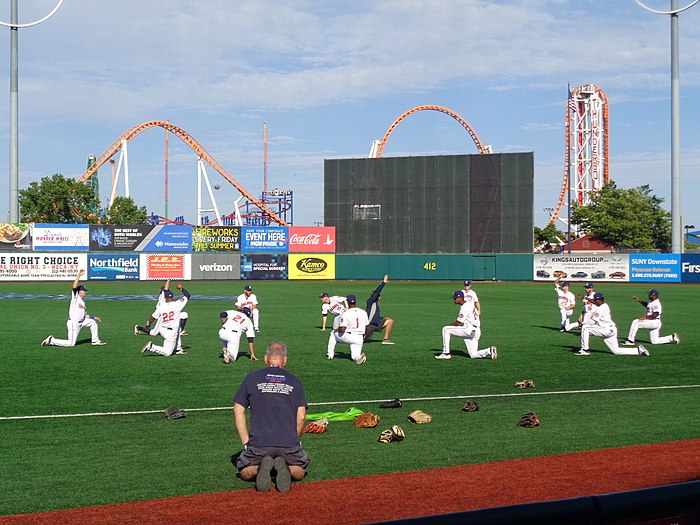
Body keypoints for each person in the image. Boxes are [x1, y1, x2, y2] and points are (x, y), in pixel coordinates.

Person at [233, 341, 310, 493]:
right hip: (288, 444)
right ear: (285, 360)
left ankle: (260, 468)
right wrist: (296, 439)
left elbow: (238, 410)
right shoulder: (295, 381)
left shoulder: (252, 378)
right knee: (300, 469)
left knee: (244, 469)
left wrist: (246, 442)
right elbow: (301, 417)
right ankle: (287, 470)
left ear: (265, 359)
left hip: (260, 444)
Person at [41, 269, 106, 347]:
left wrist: (94, 317)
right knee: (71, 344)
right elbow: (74, 287)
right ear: (80, 291)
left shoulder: (82, 302)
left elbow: (84, 315)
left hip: (82, 322)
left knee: (92, 322)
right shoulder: (76, 298)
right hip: (73, 323)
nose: (85, 292)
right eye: (84, 291)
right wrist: (78, 276)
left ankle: (95, 341)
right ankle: (51, 340)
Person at [576, 292, 649, 357]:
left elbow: (593, 322)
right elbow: (595, 302)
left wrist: (582, 324)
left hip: (606, 330)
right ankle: (638, 351)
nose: (594, 301)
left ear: (599, 300)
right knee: (616, 351)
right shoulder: (605, 305)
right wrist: (585, 297)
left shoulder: (600, 309)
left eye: (595, 300)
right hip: (612, 330)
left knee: (585, 328)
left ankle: (585, 350)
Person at [435, 290, 497, 360]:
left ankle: (446, 353)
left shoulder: (464, 308)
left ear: (460, 298)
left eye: (455, 298)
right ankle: (489, 350)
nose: (454, 300)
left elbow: (459, 322)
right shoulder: (470, 304)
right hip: (476, 331)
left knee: (445, 329)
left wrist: (449, 325)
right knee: (473, 354)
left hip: (469, 330)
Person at [134, 279, 189, 351]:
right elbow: (166, 290)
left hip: (168, 315)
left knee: (184, 315)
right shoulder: (164, 297)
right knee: (153, 333)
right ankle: (139, 328)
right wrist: (170, 281)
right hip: (163, 318)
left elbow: (166, 290)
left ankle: (178, 344)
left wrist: (168, 281)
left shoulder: (164, 298)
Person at [326, 294, 369, 364]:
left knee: (333, 333)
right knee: (354, 356)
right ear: (355, 302)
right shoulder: (363, 312)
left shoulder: (346, 313)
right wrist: (364, 336)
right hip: (359, 337)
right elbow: (366, 326)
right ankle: (359, 358)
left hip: (349, 336)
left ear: (348, 302)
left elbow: (343, 329)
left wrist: (337, 330)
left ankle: (330, 355)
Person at [363, 275, 395, 344]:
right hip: (369, 325)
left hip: (376, 324)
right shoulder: (371, 301)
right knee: (360, 340)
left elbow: (375, 315)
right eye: (379, 296)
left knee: (390, 321)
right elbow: (377, 291)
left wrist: (383, 319)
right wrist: (384, 282)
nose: (380, 297)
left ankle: (385, 339)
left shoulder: (375, 304)